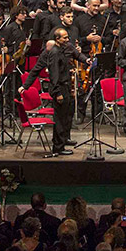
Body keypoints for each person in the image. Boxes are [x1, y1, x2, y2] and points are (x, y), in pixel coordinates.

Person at [21, 28, 80, 156]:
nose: (67, 40)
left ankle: (63, 141)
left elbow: (76, 55)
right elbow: (53, 76)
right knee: (60, 119)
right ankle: (58, 147)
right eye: (65, 38)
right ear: (57, 40)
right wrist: (57, 93)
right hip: (59, 88)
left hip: (65, 87)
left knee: (65, 116)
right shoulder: (53, 53)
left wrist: (86, 60)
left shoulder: (64, 49)